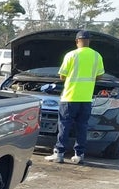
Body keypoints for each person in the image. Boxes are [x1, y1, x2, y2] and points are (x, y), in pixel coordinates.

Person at [45, 30, 104, 164]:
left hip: (70, 97)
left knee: (64, 125)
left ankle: (59, 154)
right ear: (89, 41)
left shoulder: (71, 55)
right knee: (82, 127)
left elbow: (62, 75)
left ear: (77, 41)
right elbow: (100, 76)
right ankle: (79, 155)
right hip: (86, 98)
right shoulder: (97, 56)